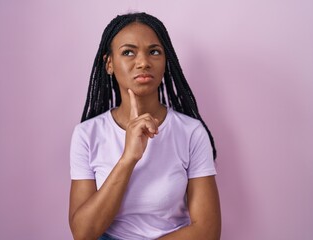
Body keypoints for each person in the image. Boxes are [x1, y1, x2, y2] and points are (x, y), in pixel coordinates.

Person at [69, 12, 221, 240]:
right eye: (128, 52)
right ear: (109, 64)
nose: (143, 62)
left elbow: (207, 232)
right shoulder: (87, 134)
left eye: (154, 52)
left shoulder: (190, 132)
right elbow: (83, 233)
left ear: (165, 62)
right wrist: (128, 158)